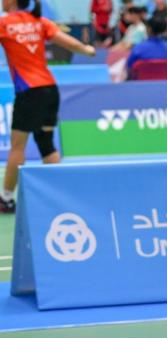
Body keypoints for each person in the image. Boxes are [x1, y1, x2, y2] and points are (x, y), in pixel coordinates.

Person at [0, 0, 95, 214]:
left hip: (29, 92)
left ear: (13, 1)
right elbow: (68, 42)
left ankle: (6, 198)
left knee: (17, 147)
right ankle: (62, 196)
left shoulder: (5, 24)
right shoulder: (40, 21)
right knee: (46, 144)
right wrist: (88, 50)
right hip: (50, 90)